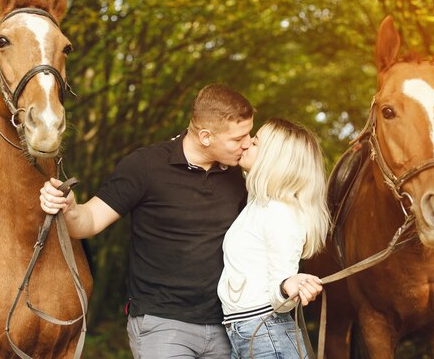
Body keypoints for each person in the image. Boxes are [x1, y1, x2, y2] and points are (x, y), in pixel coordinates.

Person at [40, 84, 267, 359]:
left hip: (226, 326)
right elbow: (88, 222)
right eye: (238, 138)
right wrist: (69, 207)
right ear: (206, 137)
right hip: (163, 324)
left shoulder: (240, 176)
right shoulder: (145, 166)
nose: (248, 143)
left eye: (249, 134)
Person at [217, 118, 330, 359]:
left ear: (274, 159)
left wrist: (288, 286)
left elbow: (283, 298)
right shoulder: (259, 204)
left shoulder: (280, 211)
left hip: (265, 334)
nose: (246, 144)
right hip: (249, 333)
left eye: (256, 142)